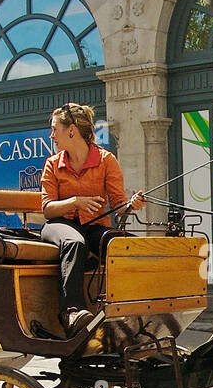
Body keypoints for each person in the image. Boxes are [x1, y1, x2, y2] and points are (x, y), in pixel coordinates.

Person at [39, 102, 145, 333]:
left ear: (71, 131)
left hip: (93, 226)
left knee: (123, 244)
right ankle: (71, 311)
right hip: (58, 225)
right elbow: (47, 208)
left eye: (54, 129)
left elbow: (118, 205)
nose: (52, 135)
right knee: (75, 242)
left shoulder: (106, 161)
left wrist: (131, 205)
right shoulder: (52, 164)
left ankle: (133, 307)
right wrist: (76, 201)